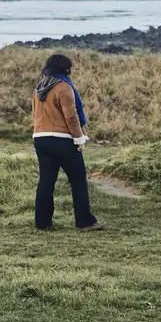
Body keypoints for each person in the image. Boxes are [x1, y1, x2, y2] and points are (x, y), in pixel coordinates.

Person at [32, 53, 103, 231]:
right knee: (78, 180)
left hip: (40, 138)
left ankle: (42, 222)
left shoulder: (38, 88)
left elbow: (36, 114)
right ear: (65, 69)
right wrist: (79, 138)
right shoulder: (64, 87)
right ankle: (84, 221)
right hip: (62, 140)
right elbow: (71, 117)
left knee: (46, 182)